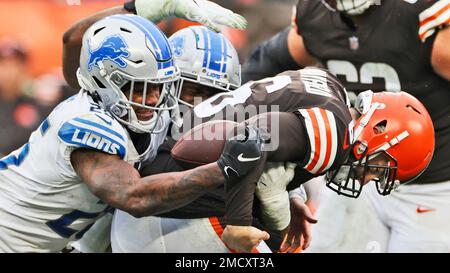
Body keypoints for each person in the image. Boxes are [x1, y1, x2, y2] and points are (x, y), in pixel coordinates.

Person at [0, 10, 262, 252]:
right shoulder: (87, 123)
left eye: (159, 87)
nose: (151, 100)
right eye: (140, 88)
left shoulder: (153, 113)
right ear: (106, 83)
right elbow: (133, 196)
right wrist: (223, 168)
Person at [241, 0, 450, 252]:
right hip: (354, 175)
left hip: (433, 187)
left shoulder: (419, 20)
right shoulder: (318, 17)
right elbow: (267, 64)